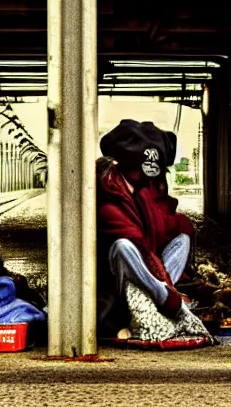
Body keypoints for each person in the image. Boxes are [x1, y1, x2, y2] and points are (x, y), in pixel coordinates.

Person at [96, 119, 195, 338]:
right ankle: (162, 296)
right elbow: (138, 243)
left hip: (150, 266)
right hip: (118, 277)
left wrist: (182, 227)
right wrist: (167, 290)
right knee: (124, 246)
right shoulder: (109, 193)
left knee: (182, 238)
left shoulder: (146, 187)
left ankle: (158, 292)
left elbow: (166, 222)